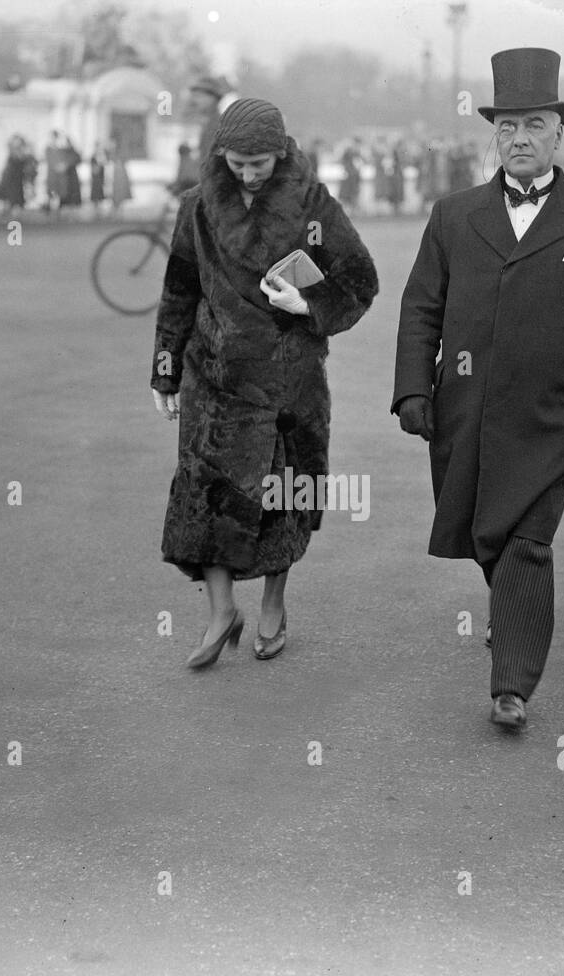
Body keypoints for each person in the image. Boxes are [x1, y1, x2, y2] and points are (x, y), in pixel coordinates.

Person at [392, 48, 564, 732]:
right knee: (489, 531)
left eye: (534, 125)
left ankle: (511, 684)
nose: (519, 139)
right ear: (494, 133)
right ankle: (510, 616)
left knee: (528, 538)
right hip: (468, 409)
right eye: (507, 126)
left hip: (555, 416)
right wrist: (411, 389)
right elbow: (422, 305)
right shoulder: (453, 215)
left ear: (559, 133)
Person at [149, 98, 379, 668]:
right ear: (220, 155)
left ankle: (274, 604)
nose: (248, 175)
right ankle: (221, 610)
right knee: (206, 492)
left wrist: (309, 302)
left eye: (259, 164)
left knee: (283, 493)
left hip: (288, 379)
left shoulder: (314, 205)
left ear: (281, 153)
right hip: (215, 373)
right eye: (237, 163)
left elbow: (361, 280)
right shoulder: (196, 209)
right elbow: (179, 290)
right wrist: (165, 367)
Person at [1, 135, 28, 216]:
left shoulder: (21, 155)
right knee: (13, 199)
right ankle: (13, 215)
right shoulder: (11, 156)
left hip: (18, 180)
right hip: (11, 181)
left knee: (18, 199)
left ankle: (16, 215)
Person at [338, 139, 361, 211]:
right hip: (350, 177)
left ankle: (351, 209)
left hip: (352, 177)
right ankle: (349, 209)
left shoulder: (355, 154)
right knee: (348, 195)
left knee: (350, 195)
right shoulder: (350, 154)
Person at [88, 140, 105, 212]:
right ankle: (95, 203)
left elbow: (103, 164)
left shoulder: (101, 155)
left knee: (99, 189)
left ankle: (99, 203)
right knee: (95, 189)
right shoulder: (94, 155)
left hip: (100, 175)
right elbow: (92, 165)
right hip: (95, 176)